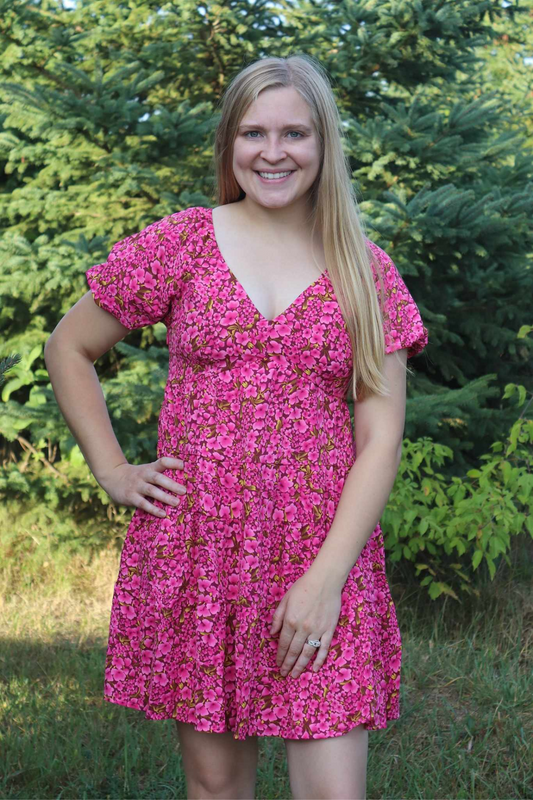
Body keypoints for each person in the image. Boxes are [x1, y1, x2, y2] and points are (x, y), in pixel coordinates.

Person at [45, 53, 428, 800]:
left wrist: (324, 581)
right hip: (201, 550)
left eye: (295, 133)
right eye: (253, 132)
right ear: (229, 144)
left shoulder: (364, 268)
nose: (273, 151)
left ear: (323, 145)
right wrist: (113, 470)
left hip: (323, 552)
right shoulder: (182, 243)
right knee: (217, 787)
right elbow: (70, 346)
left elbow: (380, 438)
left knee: (331, 793)